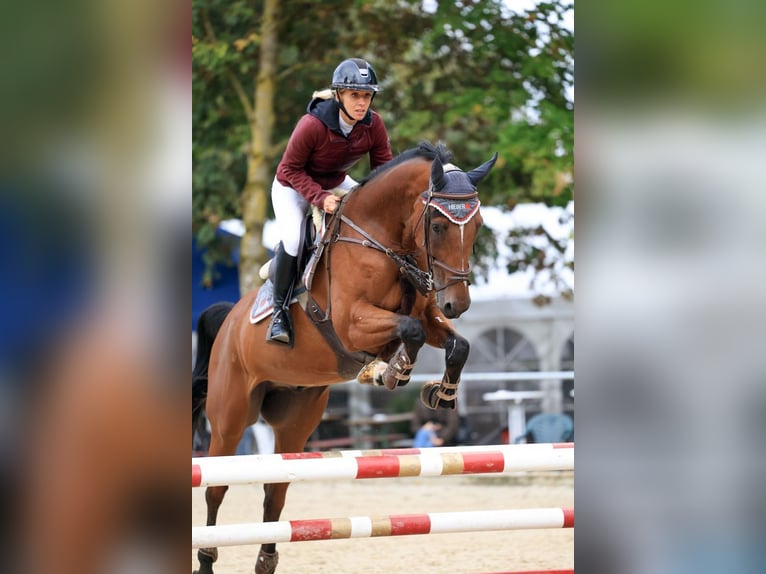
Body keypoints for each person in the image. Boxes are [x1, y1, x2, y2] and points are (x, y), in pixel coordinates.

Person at [267, 58, 394, 346]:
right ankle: (280, 313)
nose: (362, 103)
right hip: (292, 186)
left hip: (335, 180)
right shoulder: (311, 125)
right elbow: (288, 169)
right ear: (339, 95)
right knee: (294, 239)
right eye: (354, 95)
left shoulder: (374, 125)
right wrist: (320, 198)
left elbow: (383, 171)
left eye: (366, 96)